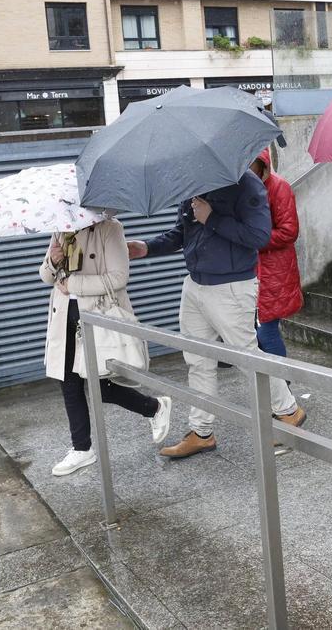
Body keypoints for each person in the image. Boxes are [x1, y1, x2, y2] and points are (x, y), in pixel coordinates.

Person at [128, 169, 306, 458]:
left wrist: (212, 218)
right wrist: (147, 248)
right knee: (198, 361)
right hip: (195, 284)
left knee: (247, 357)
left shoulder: (246, 184)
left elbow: (259, 236)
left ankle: (289, 412)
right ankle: (201, 432)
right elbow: (181, 233)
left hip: (232, 287)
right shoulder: (192, 181)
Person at [40, 218, 173, 476]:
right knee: (67, 381)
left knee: (100, 385)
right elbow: (46, 276)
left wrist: (74, 285)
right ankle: (81, 448)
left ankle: (155, 407)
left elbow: (119, 277)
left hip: (95, 315)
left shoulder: (110, 228)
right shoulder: (61, 228)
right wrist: (53, 261)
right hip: (65, 315)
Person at [251, 150, 302, 357]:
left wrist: (253, 239)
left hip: (275, 271)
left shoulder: (279, 187)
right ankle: (273, 387)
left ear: (261, 163)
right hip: (252, 271)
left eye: (250, 163)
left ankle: (283, 387)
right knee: (255, 334)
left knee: (267, 332)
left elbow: (289, 231)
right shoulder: (244, 189)